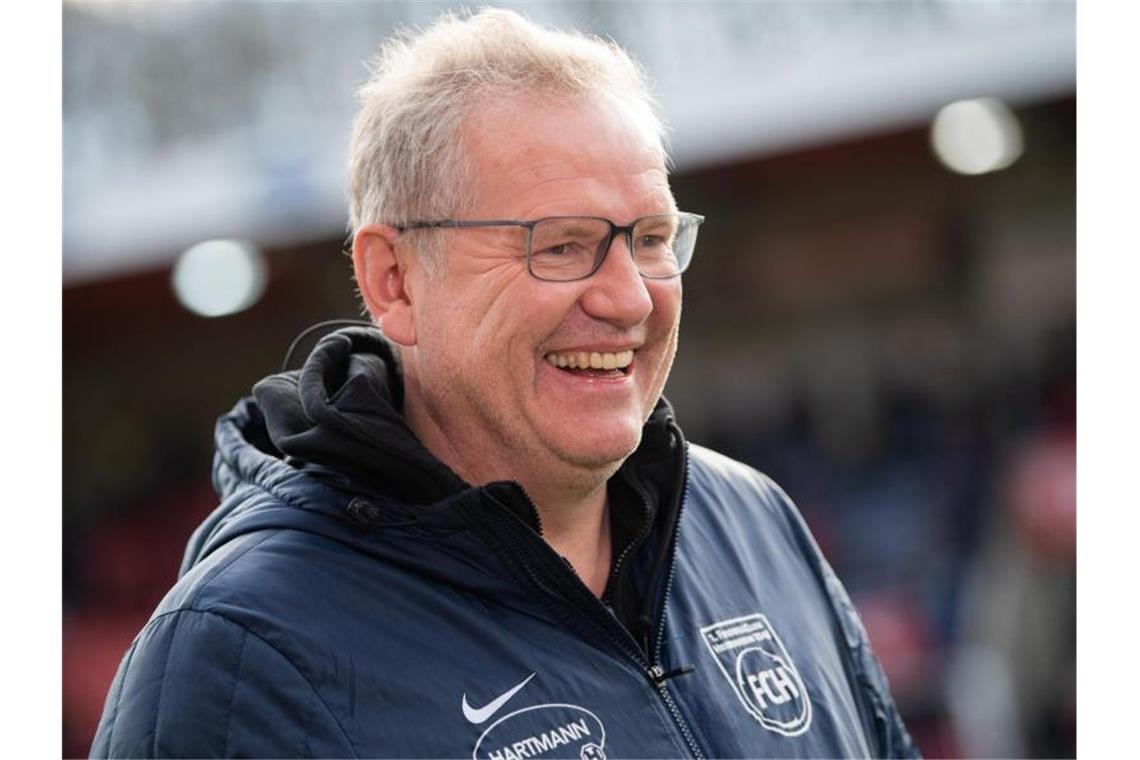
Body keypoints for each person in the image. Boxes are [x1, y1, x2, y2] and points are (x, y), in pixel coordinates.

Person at [91, 9, 916, 759]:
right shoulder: (241, 657)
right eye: (560, 245)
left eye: (653, 237)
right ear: (395, 281)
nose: (629, 296)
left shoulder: (754, 521)